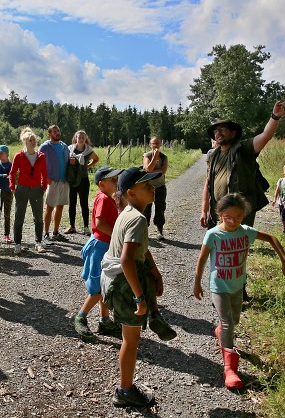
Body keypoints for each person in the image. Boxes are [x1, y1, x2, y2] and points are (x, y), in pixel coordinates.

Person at [194, 193, 285, 389]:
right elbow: (202, 259)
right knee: (228, 324)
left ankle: (221, 332)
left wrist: (284, 259)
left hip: (238, 286)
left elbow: (272, 238)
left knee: (234, 321)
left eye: (239, 217)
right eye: (229, 217)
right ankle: (230, 370)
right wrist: (197, 282)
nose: (234, 221)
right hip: (220, 287)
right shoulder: (213, 234)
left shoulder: (245, 231)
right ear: (220, 215)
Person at [200, 98, 285, 301]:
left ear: (233, 133)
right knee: (218, 250)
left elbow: (265, 135)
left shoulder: (245, 149)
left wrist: (275, 116)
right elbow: (208, 183)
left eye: (223, 129)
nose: (218, 133)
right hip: (218, 212)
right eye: (216, 131)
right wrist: (204, 209)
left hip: (241, 213)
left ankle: (239, 288)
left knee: (237, 250)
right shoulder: (212, 155)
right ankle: (221, 287)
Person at [99, 167, 168, 408]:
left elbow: (139, 247)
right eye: (146, 185)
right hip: (124, 287)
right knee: (130, 340)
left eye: (152, 184)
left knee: (130, 338)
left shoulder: (127, 212)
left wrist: (154, 269)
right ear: (131, 192)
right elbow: (128, 260)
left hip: (115, 281)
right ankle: (125, 390)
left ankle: (155, 313)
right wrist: (140, 297)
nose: (153, 188)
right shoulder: (138, 219)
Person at [73, 166, 123, 340]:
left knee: (105, 285)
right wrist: (117, 236)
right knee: (98, 288)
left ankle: (104, 321)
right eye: (112, 180)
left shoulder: (108, 198)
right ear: (101, 184)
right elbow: (100, 223)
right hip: (100, 246)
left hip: (105, 246)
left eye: (117, 180)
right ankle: (80, 317)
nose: (116, 183)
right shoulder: (103, 198)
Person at [10, 128, 48, 254]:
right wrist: (13, 187)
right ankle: (17, 244)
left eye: (34, 140)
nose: (33, 142)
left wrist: (43, 188)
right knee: (19, 218)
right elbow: (13, 172)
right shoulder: (19, 156)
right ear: (25, 142)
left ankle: (38, 243)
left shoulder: (41, 156)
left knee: (38, 218)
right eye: (30, 140)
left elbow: (45, 173)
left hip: (37, 189)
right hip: (22, 189)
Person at [39, 124, 70, 243]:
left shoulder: (64, 146)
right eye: (54, 131)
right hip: (52, 181)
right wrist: (44, 177)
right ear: (49, 134)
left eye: (58, 130)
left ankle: (56, 232)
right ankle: (46, 234)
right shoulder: (45, 147)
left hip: (64, 180)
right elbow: (38, 162)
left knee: (60, 206)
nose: (57, 133)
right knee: (50, 207)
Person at [65, 130, 99, 235]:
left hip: (84, 180)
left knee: (84, 204)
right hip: (72, 180)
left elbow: (96, 159)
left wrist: (87, 166)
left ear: (85, 139)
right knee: (72, 204)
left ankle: (85, 227)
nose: (80, 139)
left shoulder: (89, 151)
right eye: (79, 137)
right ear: (75, 138)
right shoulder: (69, 149)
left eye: (83, 138)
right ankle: (72, 226)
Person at [142, 137, 168, 240]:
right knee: (146, 209)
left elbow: (163, 171)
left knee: (160, 209)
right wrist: (154, 157)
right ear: (150, 144)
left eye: (157, 143)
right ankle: (144, 231)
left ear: (160, 144)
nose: (155, 145)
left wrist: (154, 169)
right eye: (153, 143)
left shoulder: (164, 157)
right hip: (147, 187)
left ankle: (160, 231)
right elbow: (147, 169)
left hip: (160, 186)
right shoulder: (147, 155)